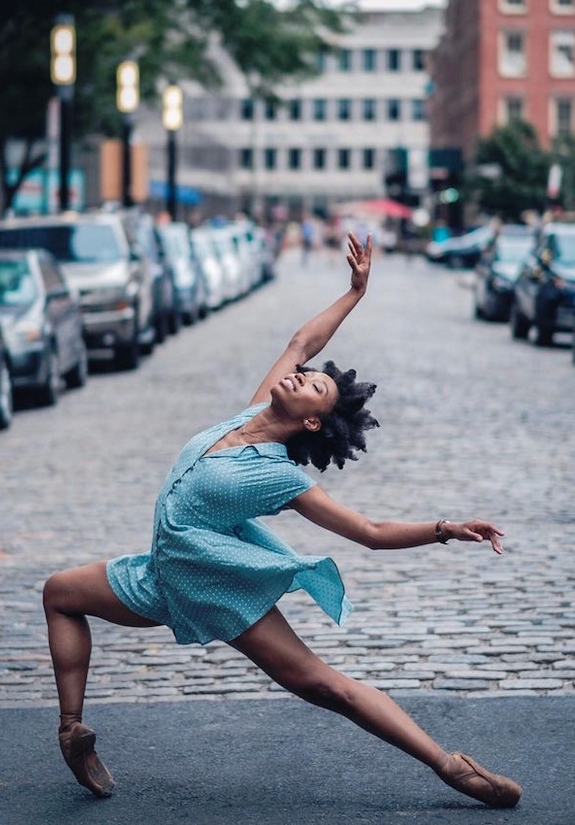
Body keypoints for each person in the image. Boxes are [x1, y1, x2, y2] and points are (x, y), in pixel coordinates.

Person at [43, 232, 522, 809]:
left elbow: (367, 532)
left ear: (314, 423)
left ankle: (451, 767)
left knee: (325, 686)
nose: (299, 375)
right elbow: (302, 340)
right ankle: (73, 733)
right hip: (162, 574)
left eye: (312, 386)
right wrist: (355, 293)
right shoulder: (249, 412)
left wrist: (445, 528)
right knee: (60, 593)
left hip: (216, 587)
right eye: (305, 374)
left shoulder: (281, 476)